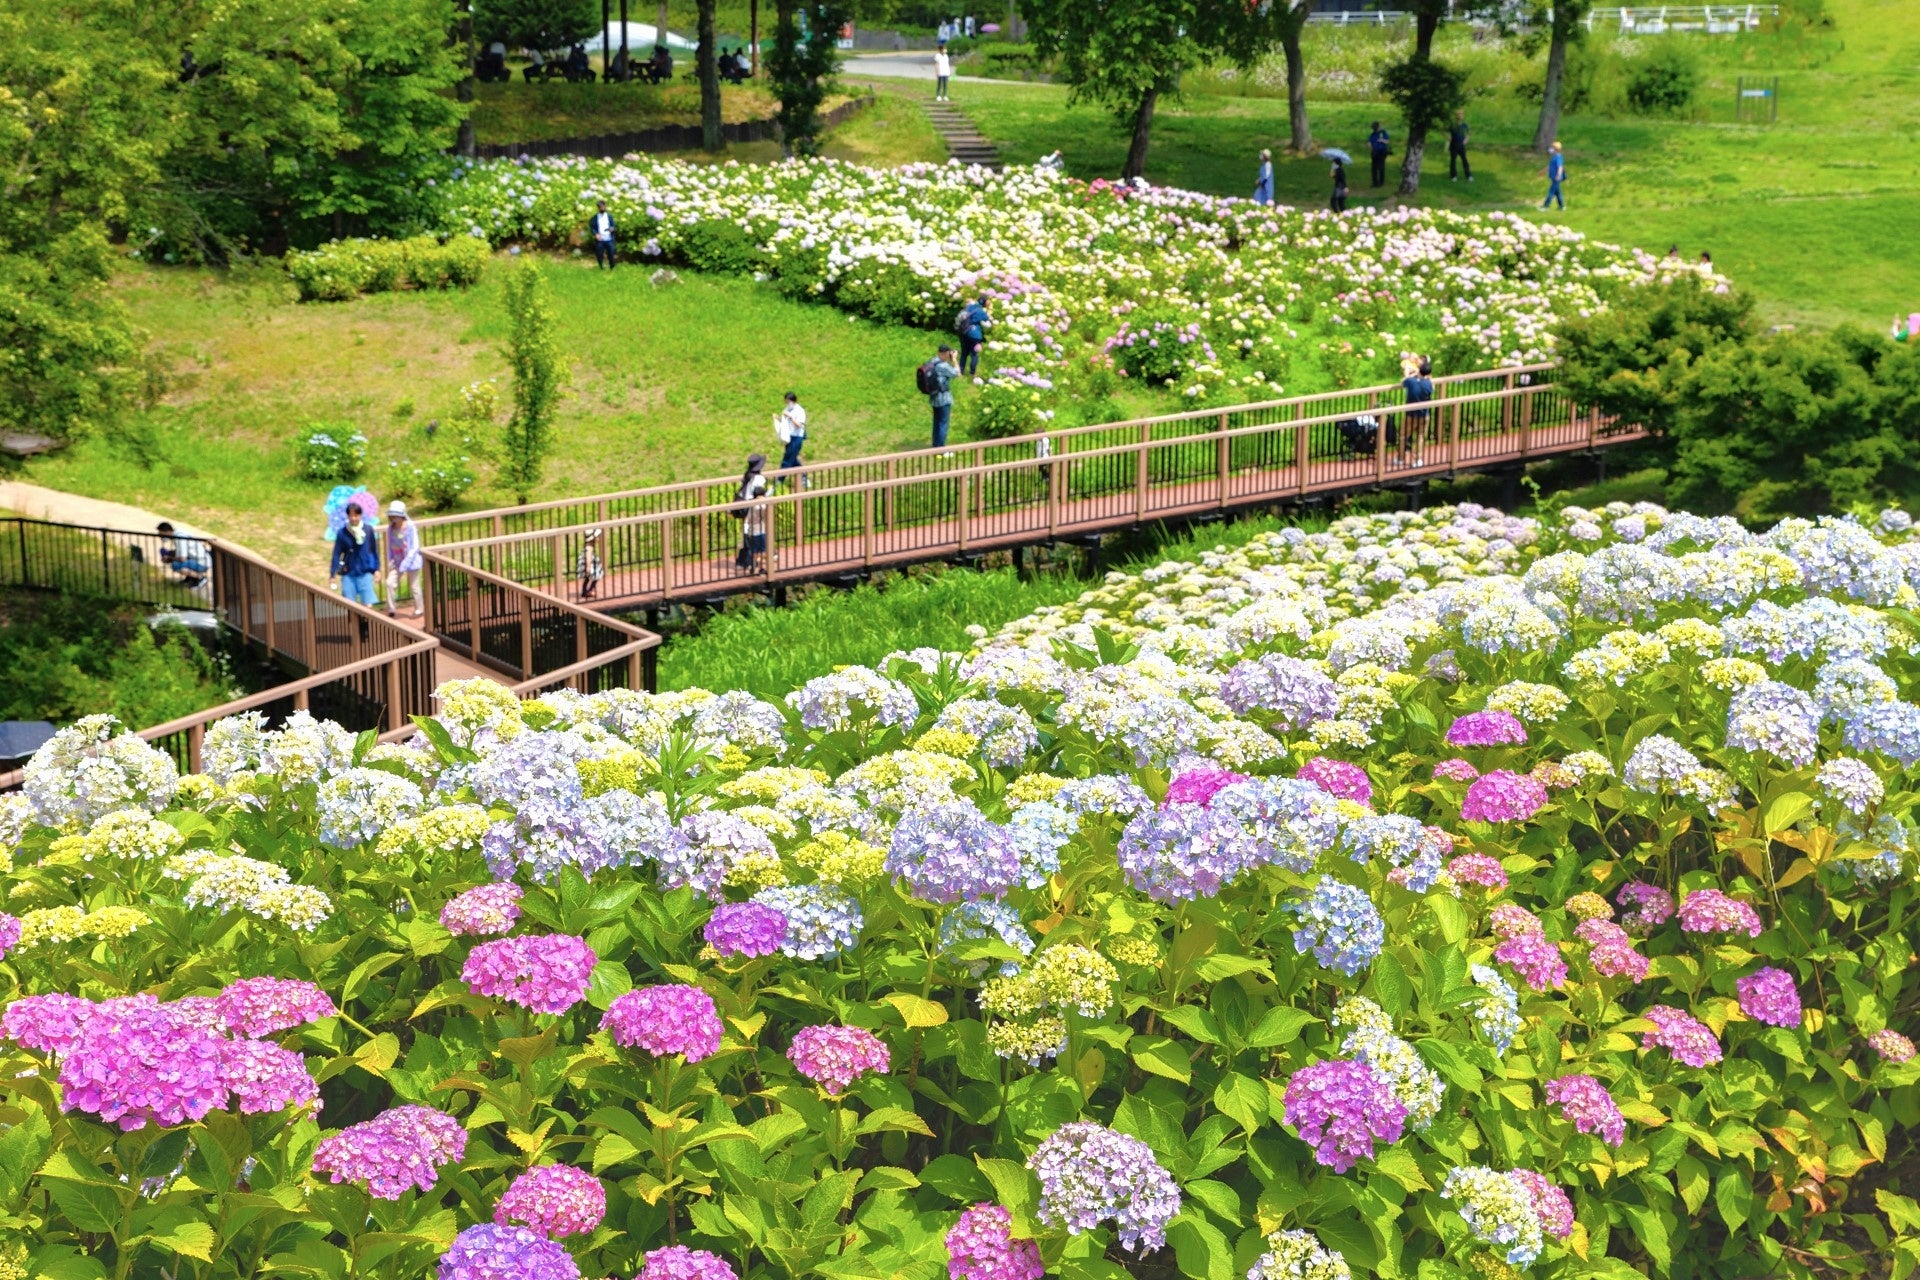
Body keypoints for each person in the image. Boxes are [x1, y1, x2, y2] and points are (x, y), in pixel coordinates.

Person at [329, 502, 381, 608]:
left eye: (356, 515)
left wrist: (377, 569)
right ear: (348, 516)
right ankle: (353, 624)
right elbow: (337, 554)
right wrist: (332, 574)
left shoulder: (368, 530)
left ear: (360, 515)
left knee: (367, 604)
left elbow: (373, 551)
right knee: (349, 605)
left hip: (365, 571)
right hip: (348, 572)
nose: (353, 518)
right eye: (351, 515)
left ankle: (366, 624)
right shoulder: (342, 533)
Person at [384, 501, 424, 618]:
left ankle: (419, 609)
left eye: (395, 515)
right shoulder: (390, 529)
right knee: (389, 583)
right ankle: (391, 608)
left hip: (411, 561)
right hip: (397, 560)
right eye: (391, 516)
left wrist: (407, 561)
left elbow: (415, 546)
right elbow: (390, 546)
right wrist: (390, 560)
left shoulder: (410, 526)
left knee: (414, 586)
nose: (393, 518)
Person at [734, 454, 770, 573]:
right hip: (754, 508)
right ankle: (752, 563)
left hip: (745, 506)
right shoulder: (759, 479)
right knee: (756, 537)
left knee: (748, 535)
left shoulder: (747, 475)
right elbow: (759, 493)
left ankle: (743, 561)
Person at [1399, 357, 1434, 467]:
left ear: (1419, 370)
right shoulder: (1428, 384)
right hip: (1424, 414)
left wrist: (1409, 373)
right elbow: (1432, 388)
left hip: (1410, 414)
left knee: (1403, 435)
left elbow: (1402, 382)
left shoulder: (1411, 381)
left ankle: (1401, 458)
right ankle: (1418, 459)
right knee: (1420, 436)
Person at [922, 345, 958, 450]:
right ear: (946, 353)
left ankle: (935, 445)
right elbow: (956, 373)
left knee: (937, 422)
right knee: (943, 423)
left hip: (934, 397)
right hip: (944, 398)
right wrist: (954, 360)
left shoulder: (933, 361)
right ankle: (941, 449)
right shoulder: (943, 366)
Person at [155, 521, 211, 588]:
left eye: (162, 534)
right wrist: (170, 554)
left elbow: (182, 558)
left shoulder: (180, 538)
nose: (161, 537)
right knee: (177, 561)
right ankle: (190, 578)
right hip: (198, 560)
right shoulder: (178, 534)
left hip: (202, 563)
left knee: (176, 565)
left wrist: (169, 558)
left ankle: (201, 579)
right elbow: (181, 552)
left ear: (167, 531)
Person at [775, 390, 808, 477]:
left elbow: (799, 425)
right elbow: (784, 423)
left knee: (787, 459)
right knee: (793, 459)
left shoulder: (800, 411)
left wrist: (790, 417)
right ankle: (804, 477)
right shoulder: (787, 409)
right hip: (788, 437)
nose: (787, 403)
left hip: (797, 437)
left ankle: (780, 480)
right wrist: (777, 419)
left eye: (788, 401)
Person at [957, 295, 991, 375]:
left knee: (964, 353)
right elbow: (986, 319)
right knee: (974, 354)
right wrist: (988, 309)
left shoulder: (969, 307)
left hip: (964, 332)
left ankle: (961, 371)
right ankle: (972, 373)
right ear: (985, 302)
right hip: (975, 335)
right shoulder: (981, 311)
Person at [578, 528, 606, 599]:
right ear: (592, 538)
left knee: (587, 578)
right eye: (597, 537)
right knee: (596, 576)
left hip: (591, 565)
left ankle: (585, 591)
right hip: (590, 565)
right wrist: (588, 567)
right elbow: (588, 557)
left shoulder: (589, 545)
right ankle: (589, 590)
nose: (598, 538)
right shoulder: (589, 547)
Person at [589, 199, 617, 270]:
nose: (602, 208)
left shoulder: (609, 216)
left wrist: (612, 229)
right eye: (600, 207)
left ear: (605, 206)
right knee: (599, 254)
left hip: (609, 238)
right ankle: (601, 266)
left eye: (603, 206)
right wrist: (595, 234)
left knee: (611, 253)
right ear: (598, 208)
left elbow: (613, 225)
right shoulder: (595, 218)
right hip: (600, 239)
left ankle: (612, 267)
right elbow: (592, 227)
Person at [1448, 111, 1471, 181]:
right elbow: (1443, 130)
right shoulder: (1452, 125)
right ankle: (1453, 176)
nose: (1460, 115)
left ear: (1463, 116)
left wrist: (1466, 140)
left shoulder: (1465, 125)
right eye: (1458, 114)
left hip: (1461, 145)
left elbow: (1469, 133)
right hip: (1453, 145)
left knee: (1464, 160)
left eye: (1461, 114)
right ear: (1456, 116)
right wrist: (1448, 137)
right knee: (1453, 160)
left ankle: (1469, 175)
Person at [1543, 141, 1566, 210]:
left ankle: (1545, 206)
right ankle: (1562, 206)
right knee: (1557, 192)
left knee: (1551, 192)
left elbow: (1560, 167)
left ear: (1556, 149)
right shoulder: (1554, 157)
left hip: (1556, 178)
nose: (1550, 149)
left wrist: (1558, 175)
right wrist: (1543, 171)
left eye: (1552, 148)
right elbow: (1550, 167)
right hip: (1554, 177)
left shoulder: (1558, 157)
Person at [1368, 121, 1391, 187]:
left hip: (1382, 151)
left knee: (1381, 167)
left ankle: (1381, 182)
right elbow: (1369, 141)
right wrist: (1371, 147)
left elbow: (1387, 141)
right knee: (1374, 168)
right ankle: (1375, 182)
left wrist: (1382, 140)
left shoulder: (1383, 133)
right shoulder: (1373, 134)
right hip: (1375, 151)